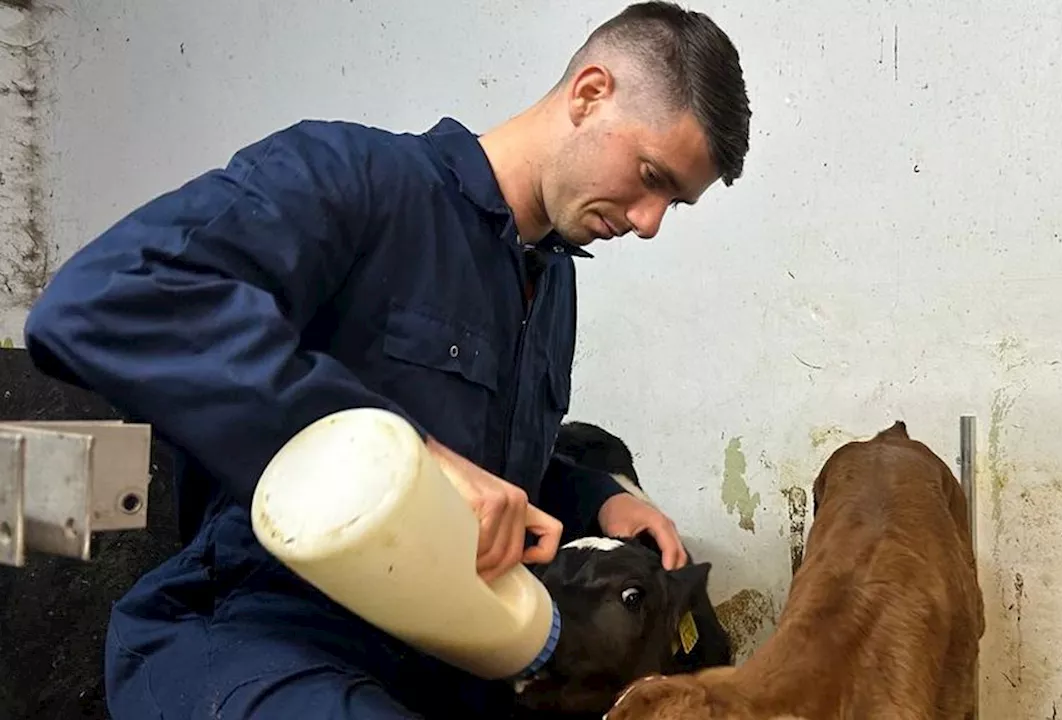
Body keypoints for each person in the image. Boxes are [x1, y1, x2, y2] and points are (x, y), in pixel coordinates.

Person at [22, 2, 751, 718]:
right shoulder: (356, 176)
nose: (650, 224)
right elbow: (107, 298)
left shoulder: (550, 280)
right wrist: (406, 448)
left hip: (448, 656)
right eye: (652, 175)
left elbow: (480, 474)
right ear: (591, 94)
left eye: (675, 204)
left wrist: (594, 497)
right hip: (263, 636)